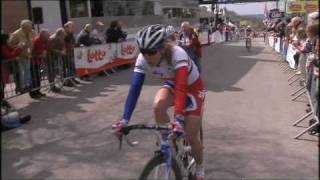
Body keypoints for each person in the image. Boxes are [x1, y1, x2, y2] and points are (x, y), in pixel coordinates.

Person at [112, 24, 206, 180]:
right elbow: (135, 88)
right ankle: (168, 144)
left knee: (191, 136)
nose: (147, 56)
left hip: (192, 88)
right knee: (157, 106)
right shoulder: (143, 59)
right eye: (143, 51)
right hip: (172, 84)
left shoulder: (178, 54)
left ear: (162, 49)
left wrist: (178, 119)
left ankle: (200, 169)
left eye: (151, 52)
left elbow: (182, 87)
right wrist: (125, 119)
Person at [8, 19, 36, 93]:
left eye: (31, 26)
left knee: (28, 70)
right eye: (29, 27)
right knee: (21, 72)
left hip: (28, 55)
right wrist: (18, 45)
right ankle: (21, 87)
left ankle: (28, 85)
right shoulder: (16, 34)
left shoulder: (32, 32)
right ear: (24, 27)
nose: (31, 28)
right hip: (19, 56)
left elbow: (34, 41)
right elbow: (10, 45)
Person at [1, 32, 23, 102]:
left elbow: (12, 50)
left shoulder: (5, 46)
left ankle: (3, 100)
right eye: (8, 39)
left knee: (2, 85)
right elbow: (10, 55)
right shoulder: (2, 47)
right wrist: (19, 48)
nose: (9, 40)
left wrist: (18, 47)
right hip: (2, 68)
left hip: (4, 68)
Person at [29, 28, 50, 98]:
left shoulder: (45, 40)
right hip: (33, 61)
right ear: (42, 35)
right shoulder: (37, 40)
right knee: (34, 77)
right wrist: (39, 54)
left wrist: (45, 51)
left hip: (39, 61)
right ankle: (33, 93)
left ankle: (38, 91)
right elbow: (32, 52)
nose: (48, 36)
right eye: (47, 35)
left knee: (38, 77)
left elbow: (46, 47)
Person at [48, 28, 66, 93]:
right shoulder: (52, 39)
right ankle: (52, 86)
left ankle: (58, 84)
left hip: (57, 57)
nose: (64, 36)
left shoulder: (61, 38)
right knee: (52, 72)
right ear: (60, 34)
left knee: (58, 71)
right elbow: (51, 49)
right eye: (63, 34)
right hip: (51, 57)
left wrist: (64, 50)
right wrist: (60, 52)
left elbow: (63, 45)